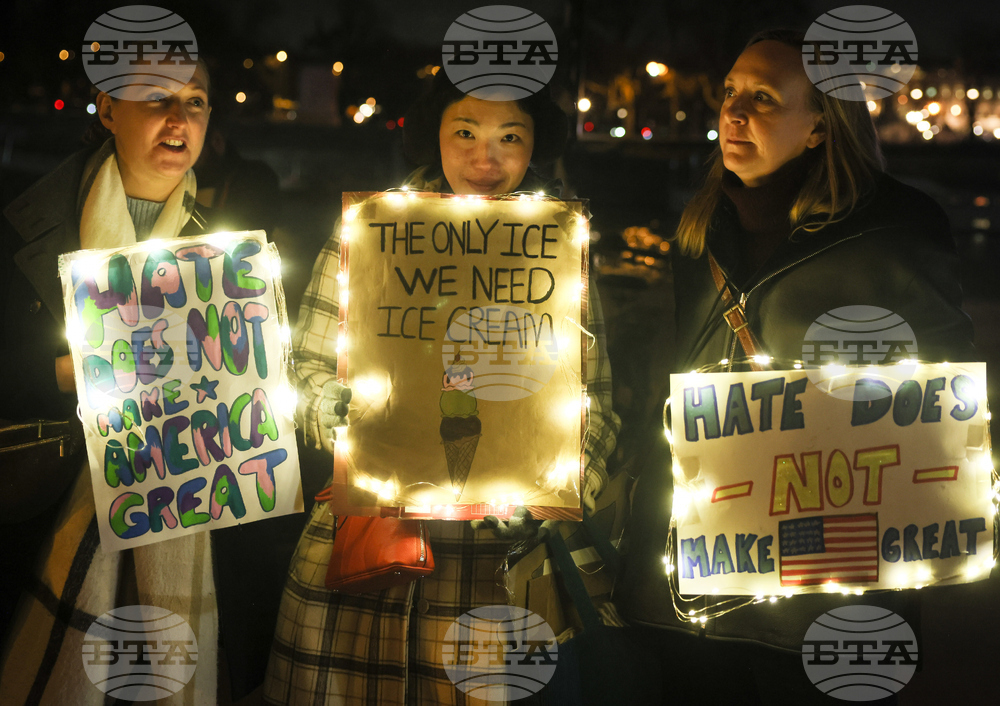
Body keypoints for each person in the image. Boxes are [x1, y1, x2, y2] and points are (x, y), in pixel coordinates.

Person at [617, 29, 976, 705]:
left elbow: (946, 405)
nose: (733, 112)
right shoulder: (700, 232)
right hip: (693, 590)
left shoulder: (897, 228)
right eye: (727, 93)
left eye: (762, 98)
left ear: (819, 127)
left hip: (827, 600)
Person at [263, 73, 621, 705]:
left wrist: (553, 488)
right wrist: (342, 417)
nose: (486, 158)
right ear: (435, 134)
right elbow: (306, 370)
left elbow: (599, 410)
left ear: (535, 145)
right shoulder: (370, 235)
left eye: (511, 136)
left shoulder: (557, 258)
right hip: (362, 562)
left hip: (492, 568)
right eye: (465, 132)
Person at [0, 63, 224, 704]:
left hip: (182, 509)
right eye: (156, 99)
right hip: (45, 510)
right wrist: (54, 375)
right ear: (107, 110)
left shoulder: (228, 245)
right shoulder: (27, 224)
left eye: (197, 102)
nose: (179, 119)